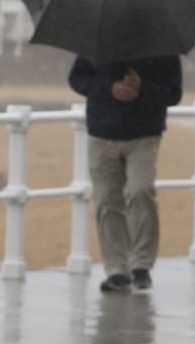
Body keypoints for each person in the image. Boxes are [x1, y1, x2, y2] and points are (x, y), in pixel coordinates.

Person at [69, 55, 182, 292]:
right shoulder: (98, 44)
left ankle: (141, 265)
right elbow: (77, 79)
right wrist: (110, 89)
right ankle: (117, 270)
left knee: (141, 191)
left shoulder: (163, 49)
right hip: (101, 133)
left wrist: (141, 89)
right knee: (106, 200)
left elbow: (173, 94)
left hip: (145, 134)